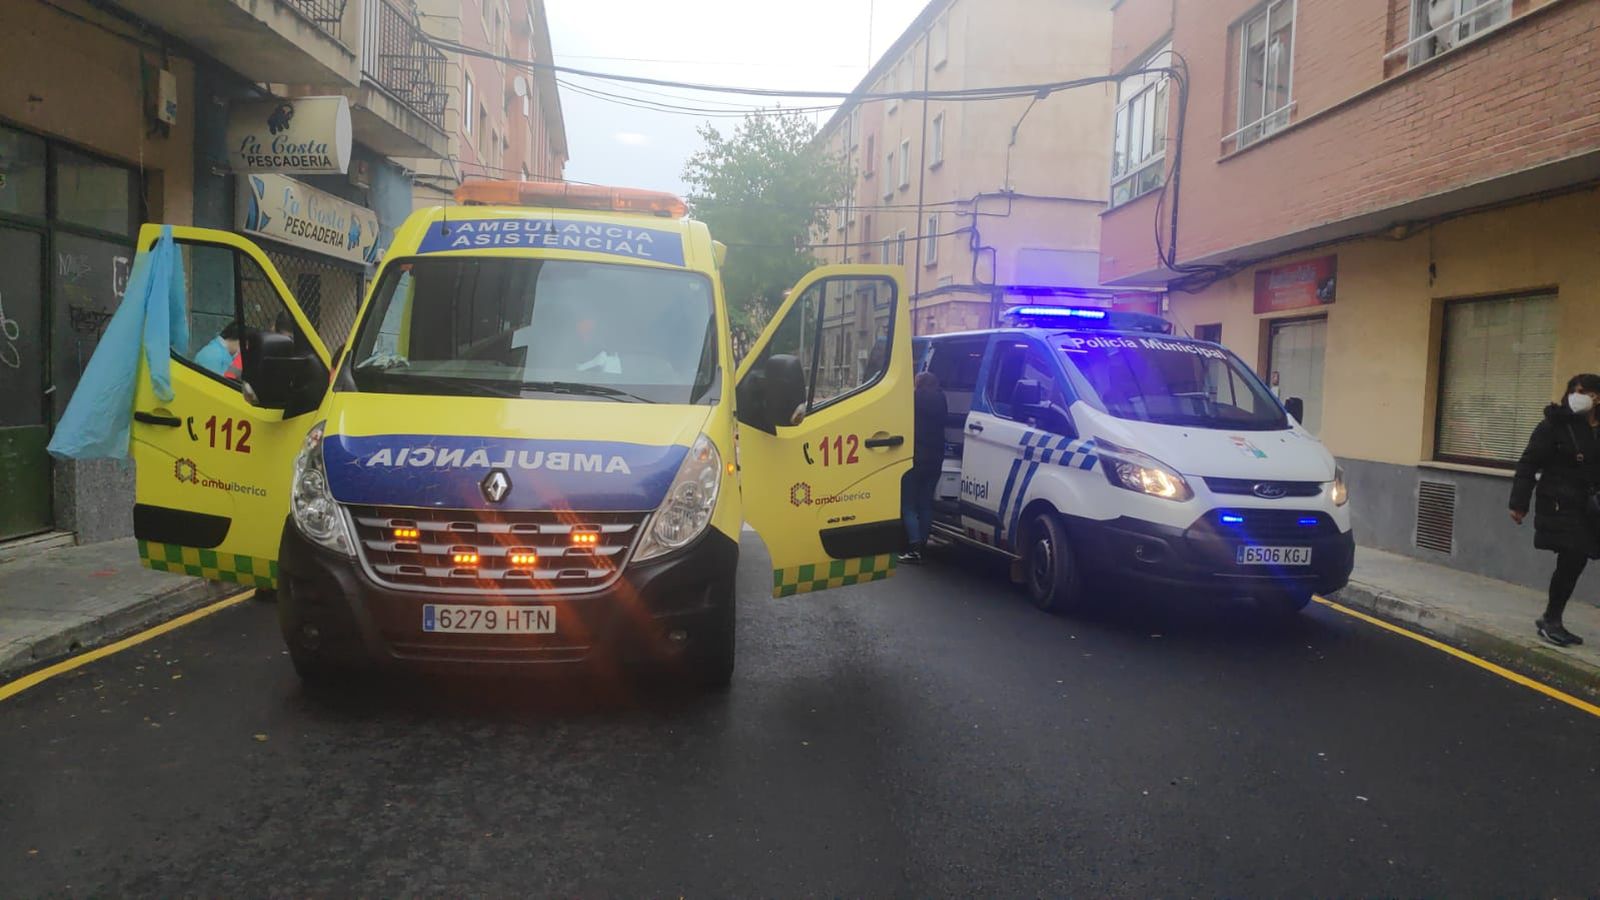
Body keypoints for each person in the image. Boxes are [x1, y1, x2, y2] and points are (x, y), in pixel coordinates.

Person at [1510, 373, 1600, 647]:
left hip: (1590, 507)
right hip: (1559, 502)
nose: (1577, 395)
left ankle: (1551, 617)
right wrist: (1518, 503)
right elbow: (1528, 463)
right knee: (1573, 556)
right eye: (1573, 389)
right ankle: (1552, 620)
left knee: (1577, 560)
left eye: (1584, 390)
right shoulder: (1554, 425)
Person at [899, 371, 948, 564]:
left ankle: (914, 548)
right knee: (926, 504)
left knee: (908, 506)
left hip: (914, 459)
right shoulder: (942, 399)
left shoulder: (913, 398)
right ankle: (925, 544)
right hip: (936, 460)